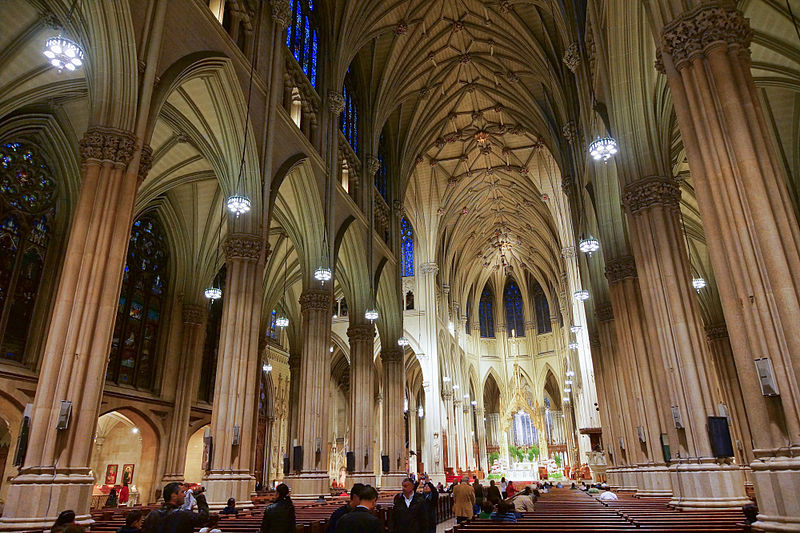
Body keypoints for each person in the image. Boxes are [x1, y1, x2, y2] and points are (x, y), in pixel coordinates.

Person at [142, 482, 209, 533]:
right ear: (173, 496)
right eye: (182, 492)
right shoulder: (183, 515)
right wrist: (200, 497)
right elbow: (204, 518)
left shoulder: (152, 515)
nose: (185, 495)